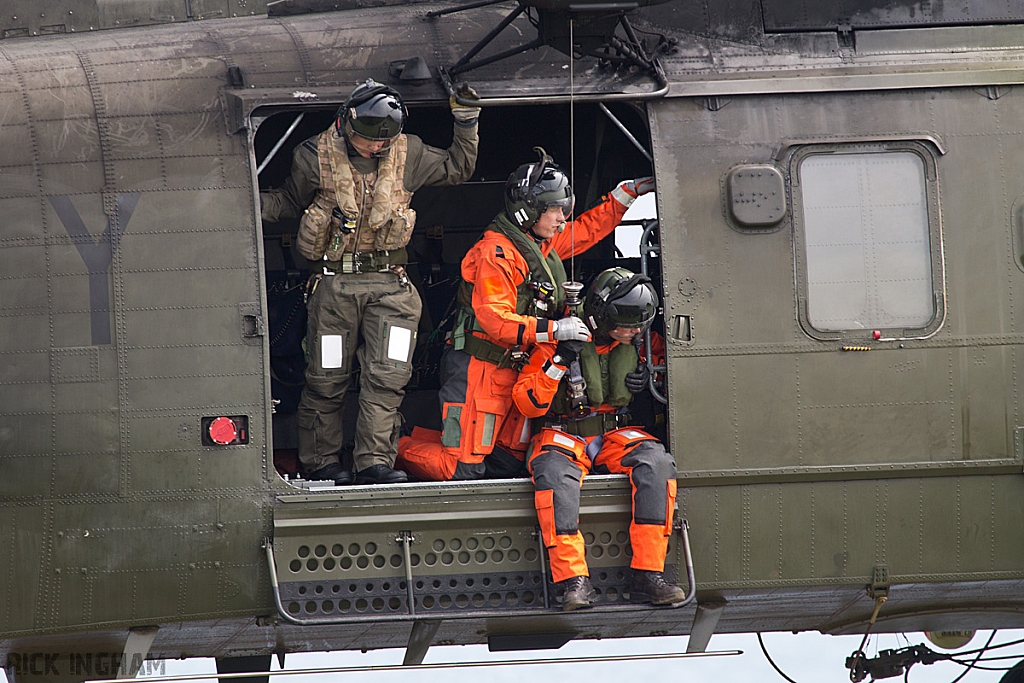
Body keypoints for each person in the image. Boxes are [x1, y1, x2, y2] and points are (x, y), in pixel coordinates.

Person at [261, 79, 480, 485]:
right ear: (345, 123)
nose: (374, 148)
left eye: (382, 143)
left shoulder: (407, 152)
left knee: (388, 379)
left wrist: (465, 120)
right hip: (334, 289)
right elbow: (289, 202)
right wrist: (242, 202)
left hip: (391, 288)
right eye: (366, 140)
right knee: (326, 379)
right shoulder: (313, 157)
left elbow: (457, 168)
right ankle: (321, 462)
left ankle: (374, 462)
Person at [396, 148, 654, 481]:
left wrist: (624, 197)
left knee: (506, 463)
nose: (562, 218)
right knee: (462, 469)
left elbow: (586, 231)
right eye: (556, 210)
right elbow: (496, 320)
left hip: (517, 374)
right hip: (480, 373)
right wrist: (556, 330)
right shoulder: (495, 253)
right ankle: (396, 445)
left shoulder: (540, 249)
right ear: (528, 211)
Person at [510, 267, 686, 610]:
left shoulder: (641, 341)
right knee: (553, 478)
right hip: (563, 434)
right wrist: (560, 360)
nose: (636, 331)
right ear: (605, 317)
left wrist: (652, 378)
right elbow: (527, 402)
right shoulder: (559, 339)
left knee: (657, 464)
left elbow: (669, 363)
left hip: (614, 432)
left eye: (640, 325)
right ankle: (573, 580)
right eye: (629, 325)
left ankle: (649, 574)